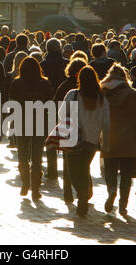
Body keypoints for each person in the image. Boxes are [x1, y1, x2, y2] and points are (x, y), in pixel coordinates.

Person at [100, 63, 136, 216]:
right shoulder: (131, 93)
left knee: (110, 168)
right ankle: (123, 205)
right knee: (126, 174)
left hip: (109, 136)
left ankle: (111, 190)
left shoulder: (102, 92)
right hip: (129, 139)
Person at [61, 66, 110, 216]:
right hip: (92, 141)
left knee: (74, 171)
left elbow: (62, 113)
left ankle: (82, 194)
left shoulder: (73, 95)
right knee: (83, 167)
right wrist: (106, 143)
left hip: (73, 139)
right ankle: (85, 192)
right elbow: (106, 123)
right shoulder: (102, 99)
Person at [9, 57, 54, 201]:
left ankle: (25, 183)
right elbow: (50, 103)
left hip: (22, 122)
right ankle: (35, 188)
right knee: (37, 158)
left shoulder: (16, 83)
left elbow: (12, 103)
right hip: (40, 123)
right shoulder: (45, 83)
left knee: (22, 156)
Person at [53, 58, 86, 203]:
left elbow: (57, 108)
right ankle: (84, 190)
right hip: (85, 130)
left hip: (68, 129)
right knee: (84, 164)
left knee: (67, 165)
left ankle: (68, 193)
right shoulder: (89, 88)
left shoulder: (64, 86)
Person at [40, 38, 69, 180]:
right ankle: (67, 169)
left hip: (47, 104)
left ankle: (52, 170)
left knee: (50, 137)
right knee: (65, 137)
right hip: (65, 104)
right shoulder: (67, 64)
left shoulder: (42, 65)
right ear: (60, 48)